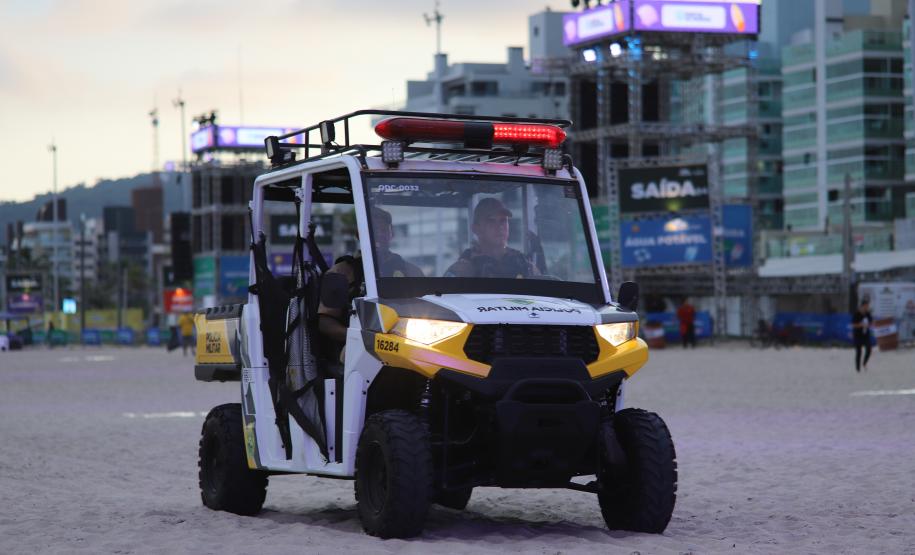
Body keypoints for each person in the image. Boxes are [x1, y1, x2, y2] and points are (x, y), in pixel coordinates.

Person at [445, 197, 538, 279]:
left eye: (503, 220)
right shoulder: (463, 269)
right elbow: (444, 294)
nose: (500, 226)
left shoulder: (523, 263)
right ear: (476, 228)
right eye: (491, 221)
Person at [371, 207, 423, 278]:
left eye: (383, 230)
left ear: (391, 233)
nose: (380, 235)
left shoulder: (412, 272)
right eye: (375, 230)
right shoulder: (356, 268)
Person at [852, 299, 873, 372]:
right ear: (862, 306)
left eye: (868, 306)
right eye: (866, 306)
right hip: (858, 335)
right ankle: (858, 369)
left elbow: (871, 323)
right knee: (859, 352)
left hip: (865, 335)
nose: (867, 307)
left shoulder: (868, 314)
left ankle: (864, 362)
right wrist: (861, 325)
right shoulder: (857, 314)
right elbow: (854, 325)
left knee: (869, 349)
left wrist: (868, 325)